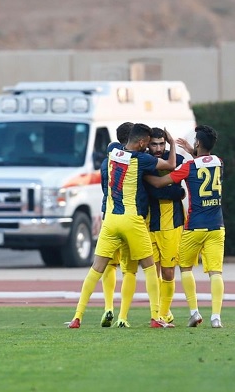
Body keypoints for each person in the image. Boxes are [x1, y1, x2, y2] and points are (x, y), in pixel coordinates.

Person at [67, 122, 177, 328]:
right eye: (147, 143)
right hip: (132, 219)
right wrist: (172, 144)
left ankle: (77, 317)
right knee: (150, 267)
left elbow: (114, 148)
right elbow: (170, 165)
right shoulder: (142, 159)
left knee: (96, 269)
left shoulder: (112, 153)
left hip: (111, 220)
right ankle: (156, 317)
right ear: (143, 142)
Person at [145, 125, 225, 328]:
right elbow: (205, 160)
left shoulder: (188, 168)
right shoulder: (219, 162)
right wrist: (192, 151)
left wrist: (145, 177)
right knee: (215, 273)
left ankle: (194, 312)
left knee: (186, 268)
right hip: (217, 226)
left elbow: (161, 183)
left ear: (197, 143)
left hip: (194, 226)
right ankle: (216, 317)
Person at [144, 127, 186, 324]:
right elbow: (157, 192)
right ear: (147, 143)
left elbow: (175, 190)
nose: (158, 148)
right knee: (154, 272)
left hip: (172, 225)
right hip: (149, 225)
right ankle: (160, 314)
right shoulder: (144, 162)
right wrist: (175, 193)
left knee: (169, 272)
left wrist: (175, 192)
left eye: (162, 143)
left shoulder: (177, 159)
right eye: (154, 144)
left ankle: (164, 312)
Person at [98, 122, 134, 327]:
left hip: (108, 215)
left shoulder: (107, 161)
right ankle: (123, 316)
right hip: (129, 218)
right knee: (130, 269)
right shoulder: (135, 160)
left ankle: (108, 307)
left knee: (108, 265)